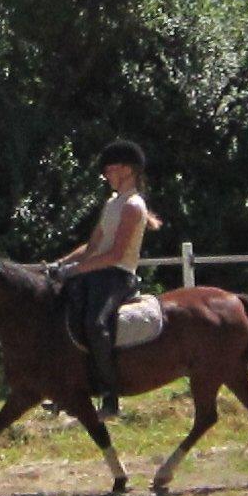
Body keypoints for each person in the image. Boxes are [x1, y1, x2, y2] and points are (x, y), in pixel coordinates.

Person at [54, 140, 162, 420]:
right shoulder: (112, 204)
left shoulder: (133, 206)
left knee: (95, 323)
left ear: (127, 170)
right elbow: (92, 248)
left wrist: (76, 271)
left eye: (111, 170)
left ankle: (110, 395)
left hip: (117, 277)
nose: (107, 176)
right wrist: (61, 264)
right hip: (94, 273)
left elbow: (115, 255)